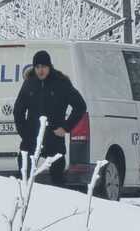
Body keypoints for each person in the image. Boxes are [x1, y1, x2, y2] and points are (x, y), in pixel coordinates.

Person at [12, 50, 87, 186]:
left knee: (57, 180)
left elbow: (80, 106)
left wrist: (66, 127)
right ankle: (24, 203)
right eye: (37, 67)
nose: (40, 71)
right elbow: (18, 110)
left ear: (49, 66)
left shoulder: (61, 82)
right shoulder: (29, 83)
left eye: (44, 67)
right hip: (31, 138)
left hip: (54, 137)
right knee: (24, 175)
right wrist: (24, 132)